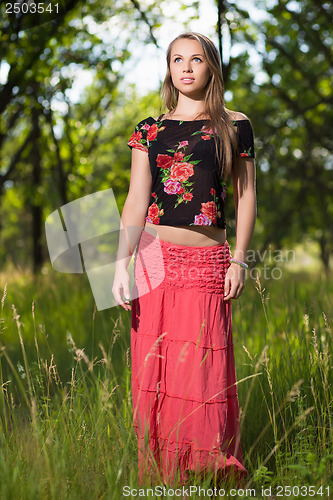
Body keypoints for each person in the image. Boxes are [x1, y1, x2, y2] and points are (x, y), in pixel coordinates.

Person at [112, 31, 256, 488]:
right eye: (177, 60)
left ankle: (207, 472)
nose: (187, 68)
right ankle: (161, 476)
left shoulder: (235, 125)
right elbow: (137, 200)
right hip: (152, 259)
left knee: (201, 369)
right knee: (153, 368)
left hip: (207, 261)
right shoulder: (149, 129)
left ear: (212, 66)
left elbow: (246, 196)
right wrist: (119, 263)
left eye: (196, 59)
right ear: (169, 68)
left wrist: (240, 261)